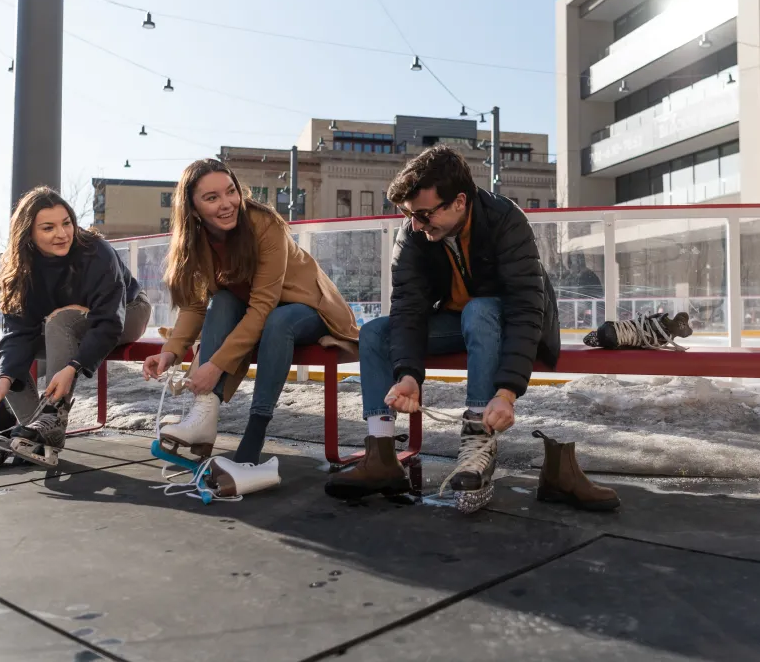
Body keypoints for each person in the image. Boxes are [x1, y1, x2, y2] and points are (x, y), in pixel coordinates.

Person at [325, 146, 620, 511]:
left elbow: (527, 307)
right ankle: (381, 453)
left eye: (423, 214)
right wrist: (408, 374)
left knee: (480, 310)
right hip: (456, 321)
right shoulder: (414, 234)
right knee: (375, 333)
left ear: (459, 202)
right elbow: (408, 309)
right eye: (409, 215)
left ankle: (478, 443)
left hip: (510, 321)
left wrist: (508, 392)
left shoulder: (505, 219)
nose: (415, 223)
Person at [141, 158, 359, 468]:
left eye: (231, 192)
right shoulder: (194, 241)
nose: (227, 203)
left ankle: (255, 434)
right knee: (223, 300)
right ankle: (204, 415)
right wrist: (171, 352)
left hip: (310, 308)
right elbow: (195, 305)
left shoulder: (263, 224)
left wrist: (214, 365)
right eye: (212, 198)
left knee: (277, 320)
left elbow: (262, 306)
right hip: (259, 313)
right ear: (192, 208)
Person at [0, 187, 151, 468]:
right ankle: (34, 436)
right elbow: (19, 334)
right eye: (48, 227)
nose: (62, 234)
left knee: (60, 320)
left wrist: (74, 366)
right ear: (28, 234)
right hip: (66, 326)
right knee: (4, 348)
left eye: (66, 223)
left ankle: (51, 418)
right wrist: (3, 382)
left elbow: (109, 319)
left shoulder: (96, 252)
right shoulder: (18, 271)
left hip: (127, 312)